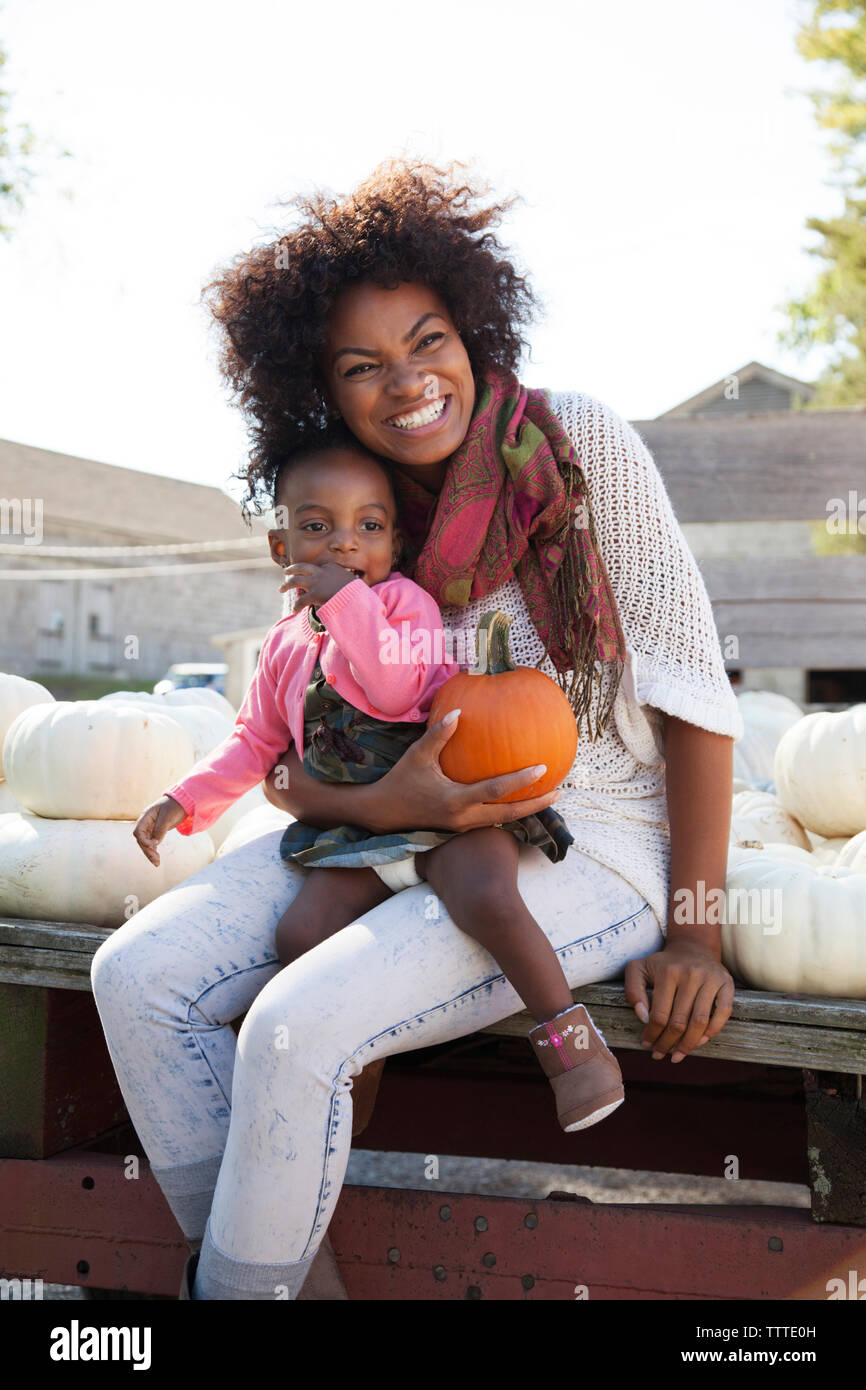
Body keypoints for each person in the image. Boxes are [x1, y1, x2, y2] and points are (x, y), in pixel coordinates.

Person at [90, 158, 743, 1302]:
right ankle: (282, 1286)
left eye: (427, 340)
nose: (407, 382)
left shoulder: (573, 444)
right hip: (388, 833)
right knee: (136, 971)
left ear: (474, 333)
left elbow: (695, 697)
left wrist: (694, 933)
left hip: (588, 842)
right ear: (322, 391)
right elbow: (295, 753)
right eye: (362, 366)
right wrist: (394, 807)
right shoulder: (350, 517)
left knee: (291, 1029)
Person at [133, 427, 616, 1133]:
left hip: (448, 812)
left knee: (487, 897)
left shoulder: (405, 610)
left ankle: (573, 1049)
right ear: (282, 549)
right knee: (300, 934)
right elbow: (255, 742)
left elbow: (391, 692)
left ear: (393, 545)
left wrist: (345, 606)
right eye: (318, 527)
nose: (344, 545)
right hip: (360, 828)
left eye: (369, 526)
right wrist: (185, 799)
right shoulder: (281, 646)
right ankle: (358, 1062)